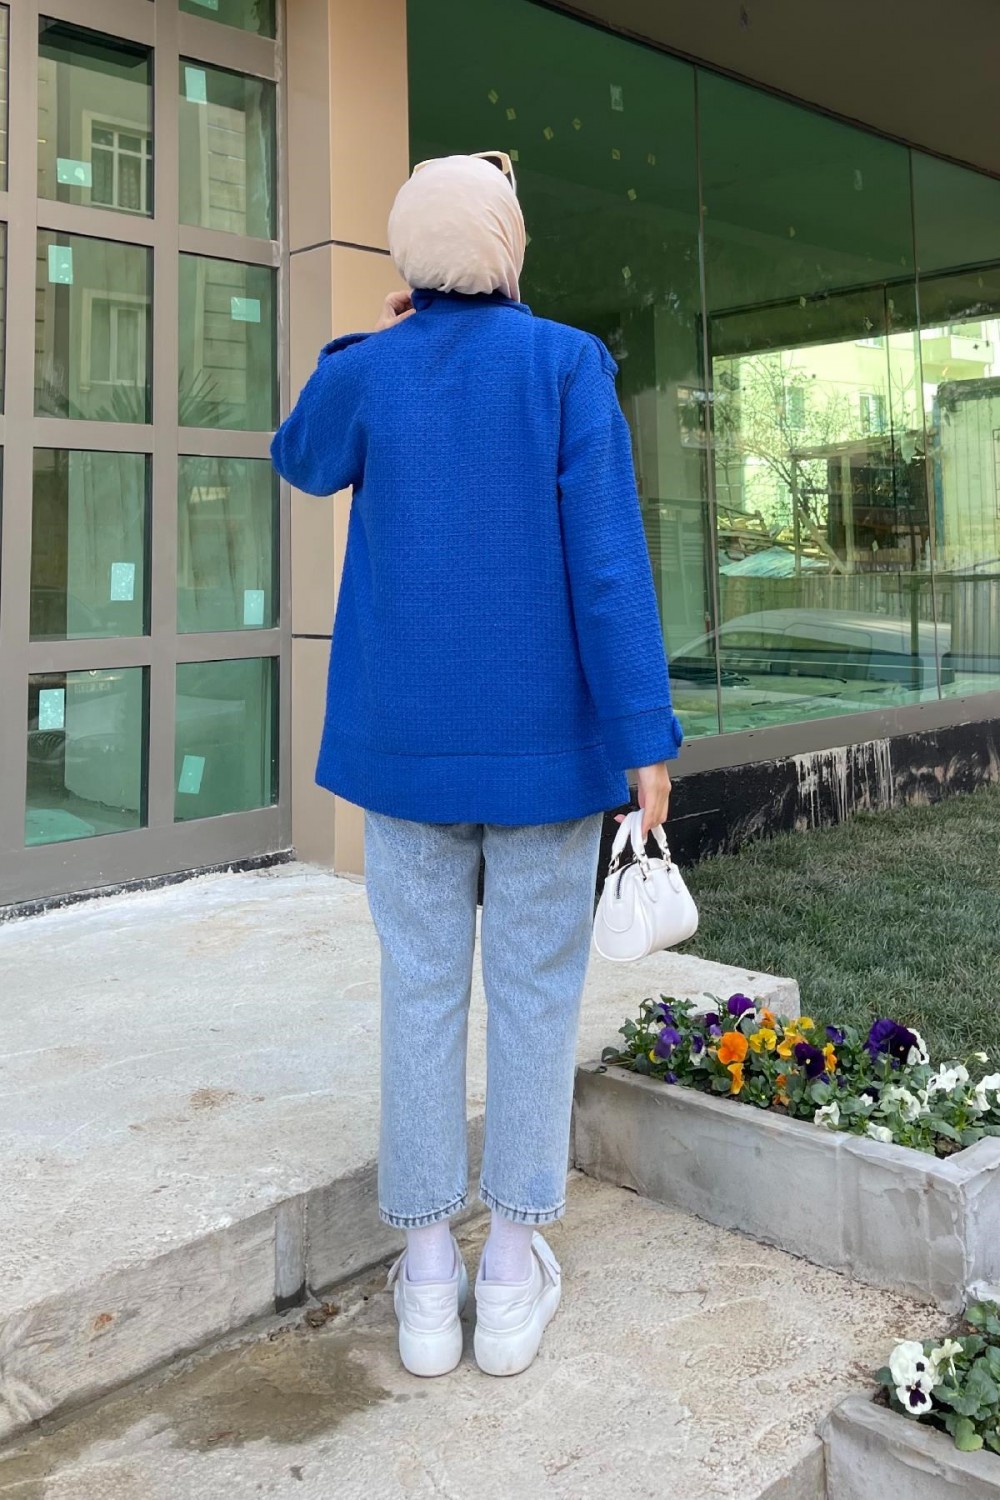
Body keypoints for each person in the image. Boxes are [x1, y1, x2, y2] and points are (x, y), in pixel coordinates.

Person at [270, 151, 682, 1380]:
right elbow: (607, 564)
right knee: (536, 991)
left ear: (408, 257)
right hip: (548, 756)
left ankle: (423, 1276)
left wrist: (371, 339)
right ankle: (506, 1272)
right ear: (505, 250)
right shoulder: (565, 364)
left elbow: (300, 455)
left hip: (406, 754)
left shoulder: (370, 371)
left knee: (420, 989)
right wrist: (643, 738)